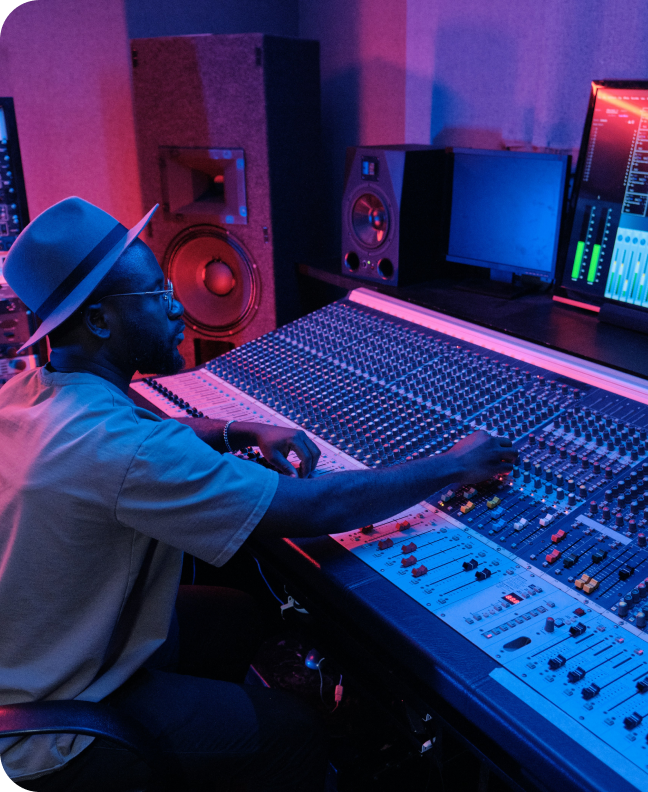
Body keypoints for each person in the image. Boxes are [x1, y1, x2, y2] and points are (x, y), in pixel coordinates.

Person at [0, 197, 518, 792]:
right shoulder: (122, 454)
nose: (177, 307)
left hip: (25, 671)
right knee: (292, 732)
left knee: (237, 614)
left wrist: (233, 428)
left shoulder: (29, 391)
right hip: (53, 741)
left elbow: (131, 431)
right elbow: (314, 507)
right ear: (97, 322)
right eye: (155, 295)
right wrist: (454, 465)